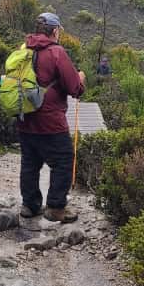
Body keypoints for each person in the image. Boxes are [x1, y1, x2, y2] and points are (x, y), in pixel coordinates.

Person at [18, 12, 86, 223]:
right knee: (64, 160)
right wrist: (80, 79)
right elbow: (74, 87)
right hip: (50, 122)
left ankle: (30, 205)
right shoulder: (57, 52)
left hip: (24, 118)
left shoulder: (23, 49)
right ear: (55, 31)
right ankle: (55, 208)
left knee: (30, 162)